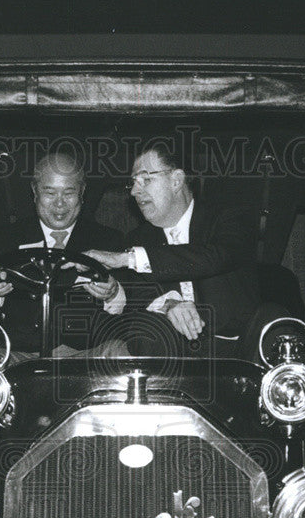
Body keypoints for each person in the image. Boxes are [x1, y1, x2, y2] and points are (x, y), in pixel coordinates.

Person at [86, 142, 285, 357]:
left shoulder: (229, 218)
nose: (134, 191)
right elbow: (138, 296)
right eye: (133, 182)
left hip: (240, 347)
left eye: (146, 179)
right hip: (174, 354)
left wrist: (127, 259)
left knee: (274, 319)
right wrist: (166, 304)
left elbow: (215, 257)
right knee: (147, 327)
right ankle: (158, 391)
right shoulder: (139, 238)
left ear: (176, 180)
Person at [0, 150, 126, 358]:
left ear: (82, 192)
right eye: (50, 192)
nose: (60, 204)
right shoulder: (8, 238)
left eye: (69, 192)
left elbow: (134, 313)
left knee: (119, 352)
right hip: (21, 357)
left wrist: (114, 292)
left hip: (88, 357)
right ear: (34, 191)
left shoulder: (109, 241)